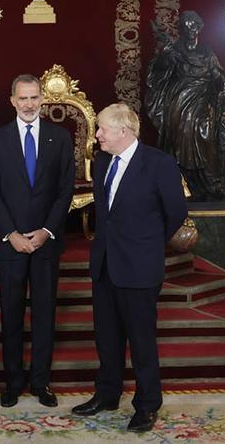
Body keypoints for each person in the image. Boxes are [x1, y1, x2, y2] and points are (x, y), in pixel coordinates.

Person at [72, 103, 188, 433]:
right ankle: (107, 394)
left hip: (139, 268)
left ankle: (147, 404)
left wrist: (147, 243)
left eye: (102, 129)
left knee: (141, 341)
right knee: (106, 339)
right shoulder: (102, 161)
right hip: (105, 265)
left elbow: (176, 212)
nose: (97, 135)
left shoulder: (159, 163)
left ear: (123, 131)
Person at [0, 74, 75, 408]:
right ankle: (13, 382)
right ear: (13, 101)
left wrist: (47, 230)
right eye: (23, 98)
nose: (29, 104)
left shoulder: (60, 137)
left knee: (44, 314)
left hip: (46, 242)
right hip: (11, 243)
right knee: (11, 314)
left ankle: (40, 382)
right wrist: (12, 234)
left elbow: (65, 189)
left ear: (42, 99)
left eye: (34, 97)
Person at [145, 12, 225, 200]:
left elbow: (217, 75)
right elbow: (158, 72)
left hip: (204, 99)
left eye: (194, 25)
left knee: (206, 134)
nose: (191, 29)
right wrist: (165, 57)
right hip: (180, 99)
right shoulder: (174, 50)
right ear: (181, 29)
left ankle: (208, 183)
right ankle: (182, 182)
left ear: (199, 27)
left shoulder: (207, 52)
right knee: (180, 133)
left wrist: (220, 84)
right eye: (186, 25)